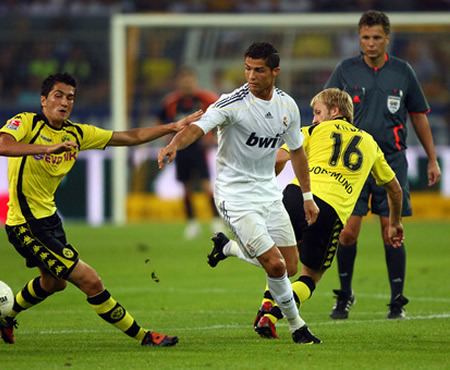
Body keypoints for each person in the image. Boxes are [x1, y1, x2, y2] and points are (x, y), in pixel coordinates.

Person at [0, 72, 202, 346]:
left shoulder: (77, 133)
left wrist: (171, 127)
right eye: (58, 96)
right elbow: (3, 146)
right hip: (25, 224)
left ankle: (7, 315)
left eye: (70, 97)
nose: (65, 102)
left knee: (54, 283)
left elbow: (128, 137)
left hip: (50, 220)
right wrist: (46, 147)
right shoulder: (27, 123)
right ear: (43, 100)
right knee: (90, 281)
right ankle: (144, 337)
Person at [158, 42, 321, 344]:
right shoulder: (231, 103)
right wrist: (174, 145)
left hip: (268, 193)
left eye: (259, 70)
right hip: (234, 195)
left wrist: (308, 197)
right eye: (247, 68)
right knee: (276, 266)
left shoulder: (288, 107)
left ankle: (228, 248)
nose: (251, 75)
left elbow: (297, 152)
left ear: (275, 71)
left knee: (292, 265)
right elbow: (198, 128)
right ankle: (298, 328)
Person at [208, 88, 404, 338]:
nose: (313, 118)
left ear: (335, 111)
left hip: (294, 196)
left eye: (317, 112)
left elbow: (278, 157)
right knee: (309, 275)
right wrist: (394, 223)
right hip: (328, 209)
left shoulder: (312, 131)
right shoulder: (370, 143)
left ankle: (234, 255)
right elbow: (395, 190)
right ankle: (270, 316)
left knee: (277, 258)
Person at [324, 10, 441, 319]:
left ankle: (397, 301)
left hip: (391, 161)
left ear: (387, 38)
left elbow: (418, 115)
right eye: (365, 37)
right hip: (353, 165)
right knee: (347, 232)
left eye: (377, 37)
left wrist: (431, 158)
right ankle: (345, 295)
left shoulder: (403, 72)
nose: (371, 43)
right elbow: (325, 109)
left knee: (391, 230)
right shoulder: (345, 70)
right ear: (359, 38)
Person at [157, 66, 224, 239]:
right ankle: (192, 223)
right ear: (179, 82)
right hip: (181, 149)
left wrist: (215, 137)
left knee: (205, 185)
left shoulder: (207, 99)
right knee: (186, 186)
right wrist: (167, 138)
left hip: (199, 148)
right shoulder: (171, 102)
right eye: (183, 79)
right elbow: (161, 120)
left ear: (194, 81)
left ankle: (216, 221)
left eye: (189, 79)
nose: (187, 83)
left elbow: (223, 116)